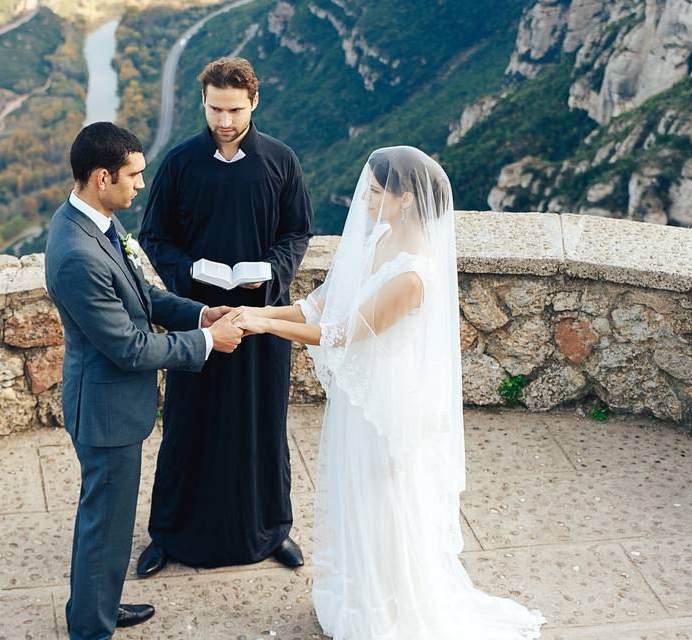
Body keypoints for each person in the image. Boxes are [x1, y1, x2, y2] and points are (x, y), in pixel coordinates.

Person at [234, 147, 546, 639]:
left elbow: (343, 331)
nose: (365, 200)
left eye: (377, 193)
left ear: (405, 200)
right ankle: (365, 594)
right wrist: (254, 317)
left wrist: (261, 325)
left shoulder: (413, 275)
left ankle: (391, 611)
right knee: (360, 501)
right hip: (361, 399)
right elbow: (317, 307)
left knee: (385, 507)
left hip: (388, 405)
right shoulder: (378, 237)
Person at [43, 122, 244, 640]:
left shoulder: (101, 224)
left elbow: (144, 298)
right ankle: (90, 629)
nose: (140, 185)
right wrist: (206, 343)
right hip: (105, 412)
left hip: (118, 406)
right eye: (132, 176)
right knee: (103, 523)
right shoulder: (76, 255)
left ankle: (101, 607)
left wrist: (200, 314)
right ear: (101, 177)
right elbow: (128, 346)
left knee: (111, 523)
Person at [136, 57, 314, 574]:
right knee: (189, 425)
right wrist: (194, 269)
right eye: (216, 108)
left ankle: (272, 528)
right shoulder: (181, 163)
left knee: (262, 424)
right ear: (204, 103)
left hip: (262, 320)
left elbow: (297, 233)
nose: (226, 121)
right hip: (201, 318)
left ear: (254, 103)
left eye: (235, 109)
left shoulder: (281, 161)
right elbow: (155, 237)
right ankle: (168, 534)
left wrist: (270, 269)